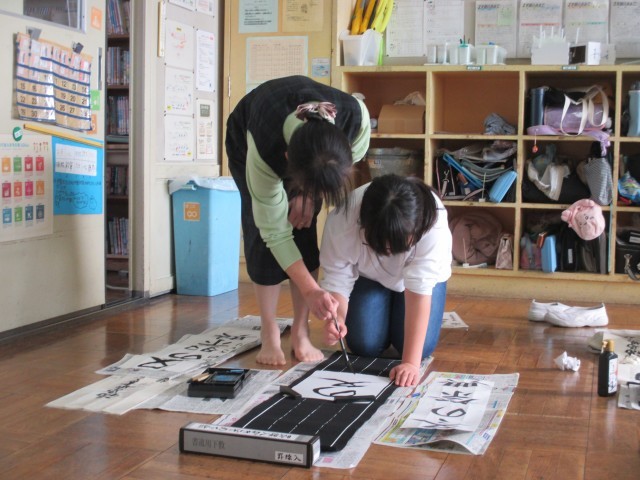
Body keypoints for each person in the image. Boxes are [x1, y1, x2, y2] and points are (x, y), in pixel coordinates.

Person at [225, 75, 371, 366]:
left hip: (311, 156)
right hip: (248, 135)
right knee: (261, 233)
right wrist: (312, 290)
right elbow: (274, 232)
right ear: (288, 158)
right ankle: (269, 331)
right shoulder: (265, 150)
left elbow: (333, 167)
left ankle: (300, 331)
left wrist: (308, 195)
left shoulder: (356, 120)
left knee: (303, 225)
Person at [320, 174, 452, 386]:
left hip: (420, 284)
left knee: (422, 348)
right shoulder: (342, 219)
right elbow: (338, 279)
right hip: (369, 277)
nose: (390, 252)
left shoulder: (433, 221)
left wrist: (410, 363)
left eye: (399, 245)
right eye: (381, 245)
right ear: (363, 224)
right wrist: (338, 319)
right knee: (364, 344)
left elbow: (420, 291)